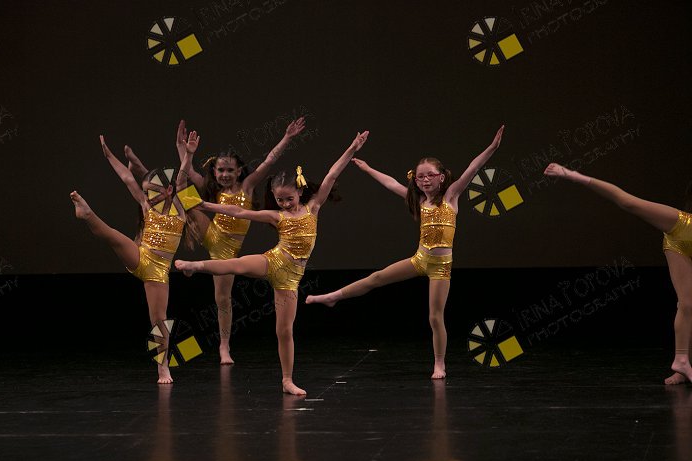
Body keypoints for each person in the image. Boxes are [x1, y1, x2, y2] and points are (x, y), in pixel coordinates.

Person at [175, 130, 370, 395]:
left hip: (291, 278)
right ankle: (194, 266)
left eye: (289, 198)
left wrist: (352, 147)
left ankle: (287, 380)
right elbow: (238, 211)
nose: (285, 204)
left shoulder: (313, 207)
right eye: (279, 200)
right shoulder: (276, 216)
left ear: (300, 191)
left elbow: (332, 175)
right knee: (236, 264)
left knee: (284, 332)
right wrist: (207, 206)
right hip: (274, 261)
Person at [306, 126, 505, 380]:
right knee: (376, 278)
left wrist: (492, 148)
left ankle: (440, 363)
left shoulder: (451, 197)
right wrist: (368, 169)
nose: (425, 180)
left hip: (441, 266)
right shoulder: (419, 201)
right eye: (420, 177)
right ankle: (333, 296)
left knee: (435, 317)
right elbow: (391, 183)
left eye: (430, 175)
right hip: (420, 260)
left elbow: (472, 169)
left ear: (442, 177)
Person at [136, 118, 307, 365]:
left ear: (239, 171)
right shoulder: (212, 187)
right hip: (211, 232)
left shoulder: (247, 186)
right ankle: (160, 206)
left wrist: (287, 137)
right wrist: (183, 150)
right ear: (214, 171)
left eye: (229, 170)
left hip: (226, 249)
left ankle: (223, 345)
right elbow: (187, 175)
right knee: (184, 192)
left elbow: (269, 161)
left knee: (223, 299)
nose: (225, 175)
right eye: (220, 170)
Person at [543, 163, 692, 385]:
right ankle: (681, 361)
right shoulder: (680, 221)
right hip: (682, 235)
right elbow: (625, 201)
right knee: (687, 304)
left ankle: (682, 366)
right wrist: (572, 175)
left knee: (688, 306)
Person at [70, 131, 200, 385]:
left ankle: (163, 368)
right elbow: (127, 178)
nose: (149, 197)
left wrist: (189, 155)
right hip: (142, 256)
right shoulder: (146, 205)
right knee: (114, 237)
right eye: (147, 193)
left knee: (159, 321)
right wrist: (109, 155)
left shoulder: (181, 209)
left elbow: (182, 177)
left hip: (158, 272)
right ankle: (87, 214)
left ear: (169, 190)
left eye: (155, 193)